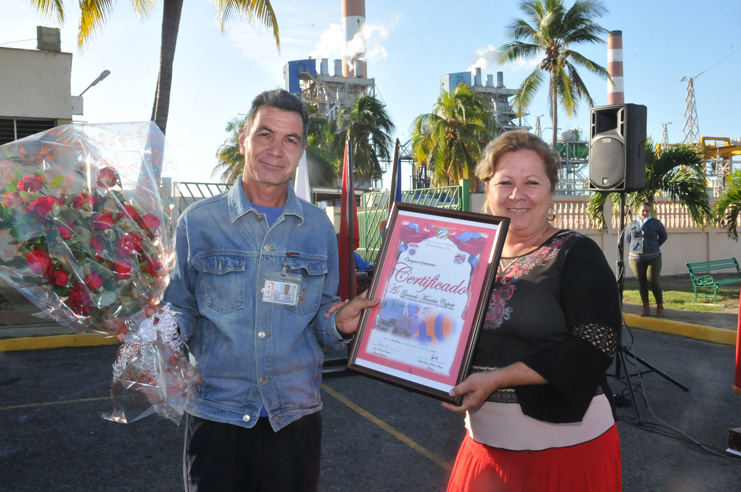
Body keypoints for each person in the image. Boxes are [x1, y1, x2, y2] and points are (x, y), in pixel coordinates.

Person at [162, 89, 378, 492]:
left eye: (290, 139)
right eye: (265, 134)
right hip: (217, 415)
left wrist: (339, 323)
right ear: (244, 137)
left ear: (300, 151)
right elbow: (182, 307)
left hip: (293, 418)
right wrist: (159, 331)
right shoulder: (198, 223)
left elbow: (320, 317)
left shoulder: (318, 229)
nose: (276, 149)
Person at [442, 131, 622, 492]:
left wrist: (497, 378)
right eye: (505, 182)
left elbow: (597, 343)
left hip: (566, 457)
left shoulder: (575, 253)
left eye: (532, 182)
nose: (517, 194)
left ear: (550, 191)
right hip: (484, 452)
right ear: (487, 189)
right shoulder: (465, 256)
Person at [626, 201, 668, 317]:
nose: (645, 212)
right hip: (635, 258)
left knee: (652, 280)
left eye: (647, 211)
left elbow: (664, 236)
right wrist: (636, 248)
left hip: (653, 257)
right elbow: (627, 239)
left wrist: (654, 246)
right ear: (638, 211)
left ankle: (660, 306)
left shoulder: (655, 223)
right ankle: (645, 306)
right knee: (642, 282)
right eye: (643, 210)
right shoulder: (632, 224)